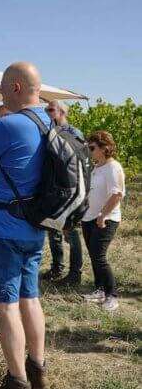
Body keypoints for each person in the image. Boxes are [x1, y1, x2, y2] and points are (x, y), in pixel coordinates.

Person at [0, 62, 50, 389]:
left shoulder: (7, 124)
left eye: (3, 87)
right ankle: (38, 370)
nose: (0, 93)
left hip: (4, 227)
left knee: (5, 307)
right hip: (36, 228)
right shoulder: (55, 123)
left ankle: (16, 385)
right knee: (30, 298)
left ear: (17, 88)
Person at [41, 100, 84, 284]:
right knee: (54, 229)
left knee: (71, 231)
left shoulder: (74, 133)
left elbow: (81, 162)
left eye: (50, 110)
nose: (47, 113)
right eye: (46, 109)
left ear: (62, 112)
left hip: (71, 189)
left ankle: (75, 273)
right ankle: (57, 268)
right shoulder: (49, 132)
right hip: (55, 189)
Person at [81, 131, 125, 311]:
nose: (89, 151)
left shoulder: (114, 168)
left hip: (105, 219)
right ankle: (99, 290)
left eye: (92, 148)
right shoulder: (97, 166)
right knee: (93, 255)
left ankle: (112, 295)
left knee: (99, 257)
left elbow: (117, 195)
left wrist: (103, 215)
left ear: (104, 148)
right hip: (89, 218)